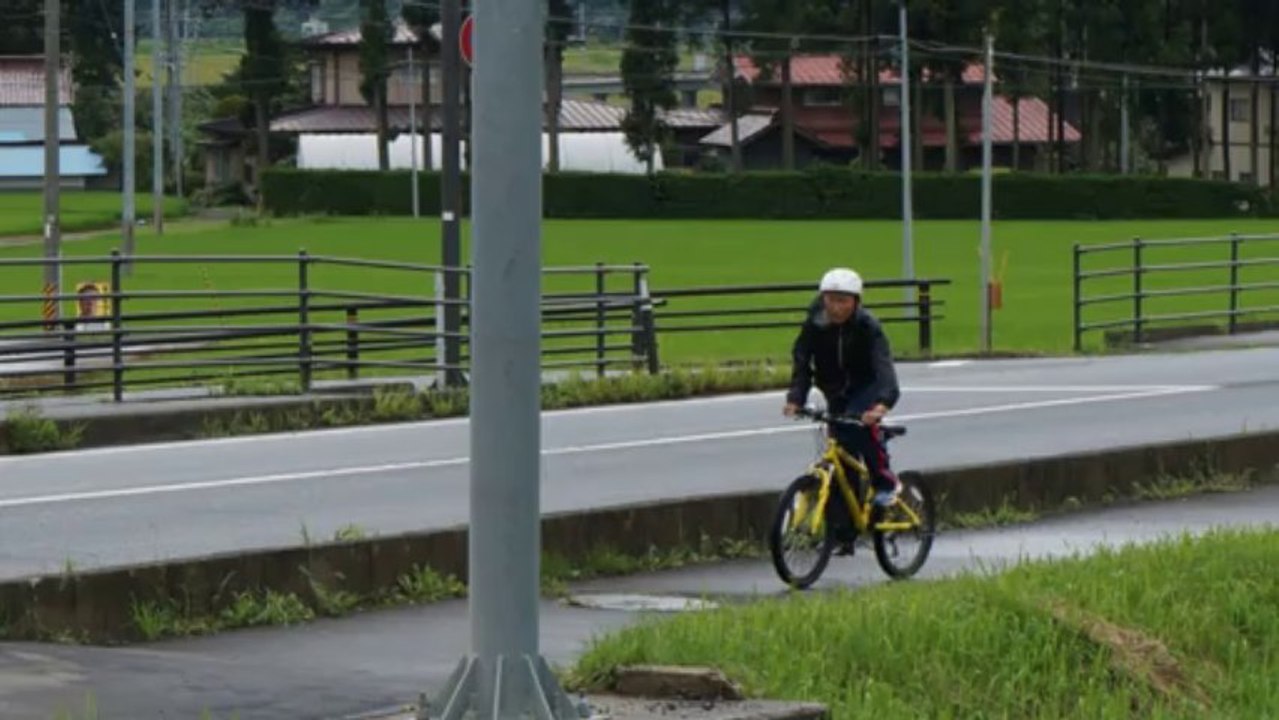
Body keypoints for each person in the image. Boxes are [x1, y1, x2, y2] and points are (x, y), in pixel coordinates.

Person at [783, 268, 902, 547]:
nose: (836, 308)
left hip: (865, 387)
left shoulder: (868, 327)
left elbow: (883, 367)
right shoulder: (814, 324)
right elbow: (802, 362)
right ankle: (843, 533)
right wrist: (796, 398)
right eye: (830, 299)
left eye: (843, 301)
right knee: (840, 459)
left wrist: (883, 403)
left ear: (856, 302)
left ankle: (886, 483)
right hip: (834, 390)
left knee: (861, 430)